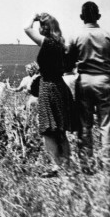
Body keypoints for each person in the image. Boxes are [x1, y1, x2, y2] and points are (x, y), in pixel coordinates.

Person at [25, 13, 75, 176]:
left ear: (45, 28)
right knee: (60, 129)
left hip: (47, 86)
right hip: (60, 86)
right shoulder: (61, 43)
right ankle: (66, 166)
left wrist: (33, 18)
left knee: (47, 129)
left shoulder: (46, 42)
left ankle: (56, 166)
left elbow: (27, 29)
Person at [66, 1, 110, 168]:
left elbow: (69, 63)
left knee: (85, 123)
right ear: (98, 16)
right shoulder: (107, 35)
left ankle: (86, 162)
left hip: (84, 80)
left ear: (81, 17)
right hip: (105, 80)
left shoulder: (76, 36)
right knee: (106, 123)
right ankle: (107, 162)